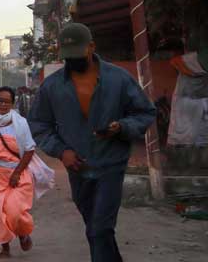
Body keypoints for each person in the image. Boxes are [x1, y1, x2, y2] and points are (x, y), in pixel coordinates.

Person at [28, 23, 156, 262]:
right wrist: (62, 151)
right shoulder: (52, 86)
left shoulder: (118, 79)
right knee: (96, 230)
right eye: (67, 56)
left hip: (111, 164)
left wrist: (122, 127)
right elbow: (39, 126)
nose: (72, 60)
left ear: (92, 47)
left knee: (100, 228)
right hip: (78, 168)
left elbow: (145, 112)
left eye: (77, 54)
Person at [0, 86, 53, 258]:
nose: (2, 104)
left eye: (6, 101)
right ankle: (5, 248)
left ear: (12, 104)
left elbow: (30, 150)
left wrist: (17, 173)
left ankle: (23, 233)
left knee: (14, 211)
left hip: (18, 174)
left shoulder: (20, 123)